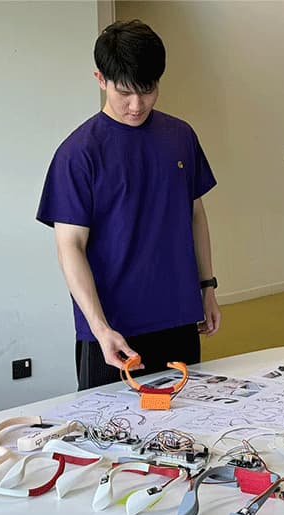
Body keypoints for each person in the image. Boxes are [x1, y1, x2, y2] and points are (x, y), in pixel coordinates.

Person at [36, 19, 221, 390]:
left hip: (178, 317)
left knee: (186, 418)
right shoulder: (78, 154)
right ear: (100, 79)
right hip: (113, 331)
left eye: (147, 90)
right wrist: (99, 327)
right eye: (124, 92)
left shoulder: (180, 137)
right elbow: (70, 246)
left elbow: (195, 215)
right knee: (110, 423)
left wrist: (208, 287)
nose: (137, 105)